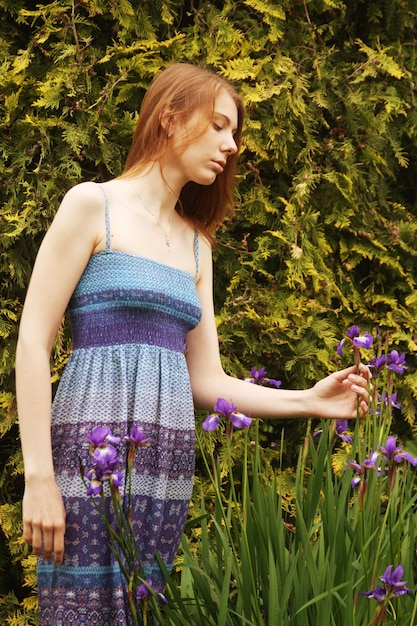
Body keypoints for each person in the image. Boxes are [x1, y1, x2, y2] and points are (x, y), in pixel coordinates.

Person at [15, 62, 370, 625]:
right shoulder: (92, 205)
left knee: (143, 609)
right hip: (90, 455)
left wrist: (310, 400)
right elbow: (33, 342)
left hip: (165, 467)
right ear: (171, 116)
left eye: (235, 134)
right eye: (221, 126)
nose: (231, 146)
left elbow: (208, 381)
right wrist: (39, 478)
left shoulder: (197, 247)